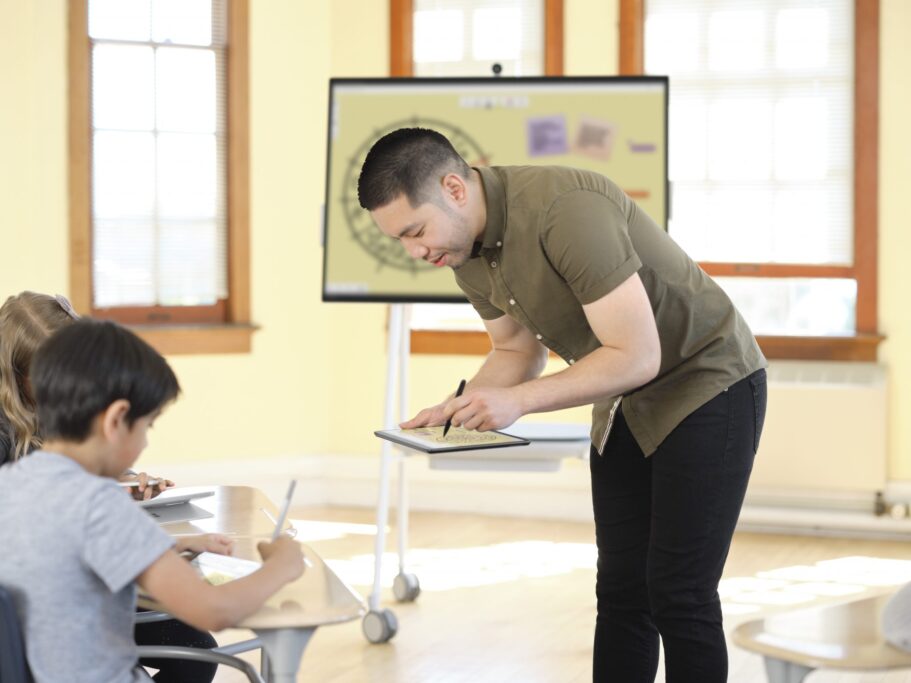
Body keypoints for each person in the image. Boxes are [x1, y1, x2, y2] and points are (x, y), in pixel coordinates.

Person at [358, 127, 768, 681]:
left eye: (415, 231)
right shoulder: (463, 251)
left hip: (706, 381)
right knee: (622, 590)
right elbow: (514, 352)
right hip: (625, 396)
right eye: (399, 241)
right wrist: (460, 407)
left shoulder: (564, 211)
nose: (415, 251)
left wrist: (516, 402)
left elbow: (638, 354)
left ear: (454, 188)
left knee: (678, 591)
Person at [0, 319, 305, 683]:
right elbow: (213, 611)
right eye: (148, 426)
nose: (145, 443)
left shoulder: (11, 483)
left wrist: (166, 545)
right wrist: (282, 565)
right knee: (200, 651)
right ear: (116, 420)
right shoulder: (100, 505)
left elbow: (63, 552)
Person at [0, 291, 214, 682]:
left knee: (195, 649)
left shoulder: (61, 410)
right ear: (16, 372)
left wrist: (118, 484)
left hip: (80, 573)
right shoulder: (7, 439)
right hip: (46, 600)